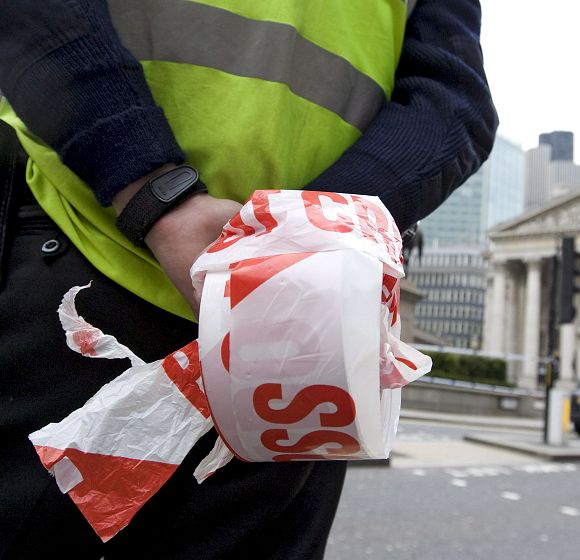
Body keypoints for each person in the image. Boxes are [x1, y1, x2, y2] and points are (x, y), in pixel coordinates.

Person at [0, 1, 498, 558]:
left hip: (305, 315)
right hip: (107, 263)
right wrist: (163, 199)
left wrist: (287, 242)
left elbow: (456, 101)